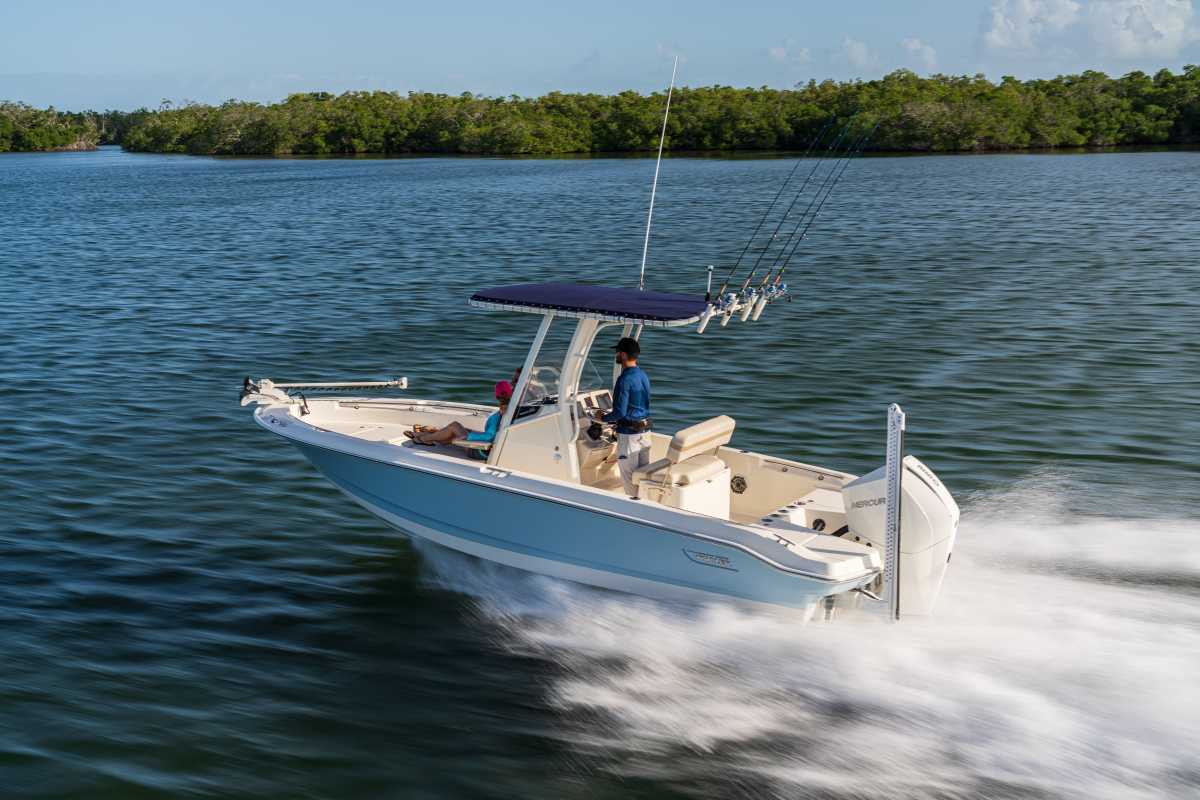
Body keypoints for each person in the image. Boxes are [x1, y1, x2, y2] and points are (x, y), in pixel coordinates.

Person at [593, 336, 651, 497]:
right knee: (642, 477)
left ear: (624, 355)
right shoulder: (643, 375)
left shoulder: (624, 379)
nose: (616, 355)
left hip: (630, 437)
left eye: (618, 352)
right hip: (645, 433)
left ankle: (635, 512)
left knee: (629, 479)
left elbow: (620, 412)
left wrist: (601, 418)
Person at [406, 381, 513, 450]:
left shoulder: (502, 413)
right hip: (481, 444)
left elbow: (490, 436)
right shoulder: (507, 410)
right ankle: (425, 435)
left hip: (480, 450)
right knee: (456, 430)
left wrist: (468, 436)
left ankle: (424, 438)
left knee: (455, 426)